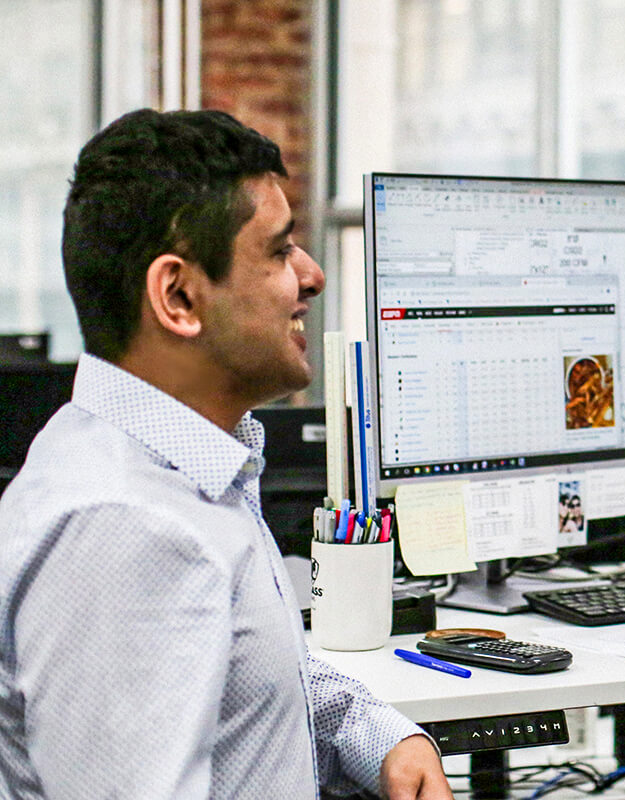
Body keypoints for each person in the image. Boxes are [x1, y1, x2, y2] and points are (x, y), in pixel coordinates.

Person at [0, 109, 453, 799]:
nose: (312, 276)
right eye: (279, 251)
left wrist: (380, 734)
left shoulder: (183, 470)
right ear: (179, 296)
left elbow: (249, 680)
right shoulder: (125, 526)